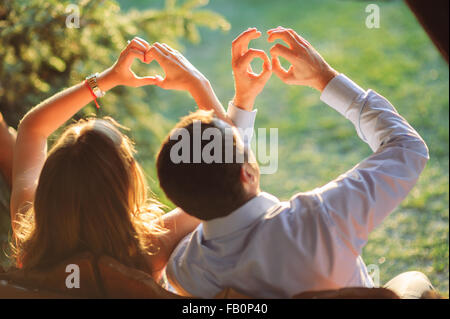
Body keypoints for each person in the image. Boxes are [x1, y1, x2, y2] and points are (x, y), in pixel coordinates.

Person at [156, 27, 432, 298]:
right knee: (414, 281)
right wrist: (325, 78)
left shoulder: (185, 270)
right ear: (247, 175)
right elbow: (408, 147)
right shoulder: (322, 218)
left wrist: (244, 100)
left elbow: (219, 174)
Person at [8, 37, 249, 280]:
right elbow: (233, 179)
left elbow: (31, 129)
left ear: (51, 183)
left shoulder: (31, 235)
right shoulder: (145, 253)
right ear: (130, 179)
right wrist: (198, 84)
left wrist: (107, 78)